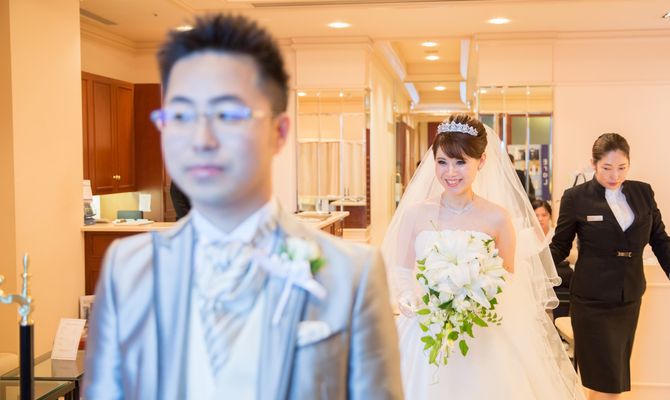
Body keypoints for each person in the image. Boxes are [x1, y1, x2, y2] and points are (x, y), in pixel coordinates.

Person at [84, 14, 403, 400]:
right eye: (181, 115)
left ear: (279, 132)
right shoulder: (127, 268)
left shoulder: (352, 273)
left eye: (228, 115)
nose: (202, 139)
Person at [382, 114, 583, 399]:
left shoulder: (498, 218)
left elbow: (508, 277)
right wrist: (407, 297)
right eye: (442, 162)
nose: (450, 172)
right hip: (427, 328)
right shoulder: (415, 214)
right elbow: (402, 269)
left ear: (482, 161)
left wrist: (471, 300)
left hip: (482, 333)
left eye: (460, 162)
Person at [550, 133, 670, 400]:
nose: (615, 175)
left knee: (610, 380)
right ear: (593, 164)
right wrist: (531, 269)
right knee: (607, 381)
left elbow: (660, 239)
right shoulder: (576, 197)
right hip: (591, 302)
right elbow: (559, 246)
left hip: (628, 299)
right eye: (606, 168)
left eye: (622, 167)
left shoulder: (643, 193)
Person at [533, 199, 573, 319]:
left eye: (544, 215)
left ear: (550, 216)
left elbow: (570, 255)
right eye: (536, 215)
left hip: (555, 273)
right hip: (535, 275)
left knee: (565, 278)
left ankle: (559, 321)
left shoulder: (558, 234)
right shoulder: (525, 235)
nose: (540, 219)